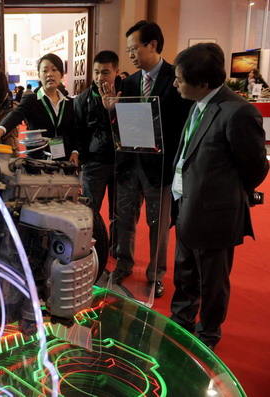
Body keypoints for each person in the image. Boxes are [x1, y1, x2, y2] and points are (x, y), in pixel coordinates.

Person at [169, 43, 268, 350]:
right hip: (186, 206)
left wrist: (221, 195)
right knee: (185, 274)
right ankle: (181, 324)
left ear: (202, 84)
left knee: (212, 282)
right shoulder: (197, 103)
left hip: (215, 215)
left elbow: (254, 168)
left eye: (180, 79)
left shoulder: (239, 112)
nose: (175, 84)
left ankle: (208, 335)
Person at [101, 20, 192, 298]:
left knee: (158, 224)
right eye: (128, 50)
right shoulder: (128, 81)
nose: (130, 55)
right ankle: (124, 263)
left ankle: (156, 274)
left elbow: (181, 123)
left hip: (160, 166)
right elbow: (121, 125)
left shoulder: (175, 77)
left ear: (152, 45)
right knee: (125, 218)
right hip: (130, 165)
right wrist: (111, 111)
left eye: (134, 49)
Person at [0, 53, 79, 165]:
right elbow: (16, 114)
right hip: (38, 160)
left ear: (62, 74)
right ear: (39, 74)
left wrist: (74, 152)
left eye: (54, 70)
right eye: (45, 71)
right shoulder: (31, 100)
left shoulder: (69, 103)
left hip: (64, 160)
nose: (50, 74)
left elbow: (74, 131)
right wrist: (0, 130)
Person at [74, 50, 121, 248]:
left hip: (122, 163)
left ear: (116, 72)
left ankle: (117, 251)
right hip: (94, 163)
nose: (99, 77)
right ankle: (89, 248)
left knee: (120, 214)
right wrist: (80, 158)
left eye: (105, 72)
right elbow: (77, 131)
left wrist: (113, 109)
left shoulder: (125, 94)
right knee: (90, 210)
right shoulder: (82, 99)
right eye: (96, 72)